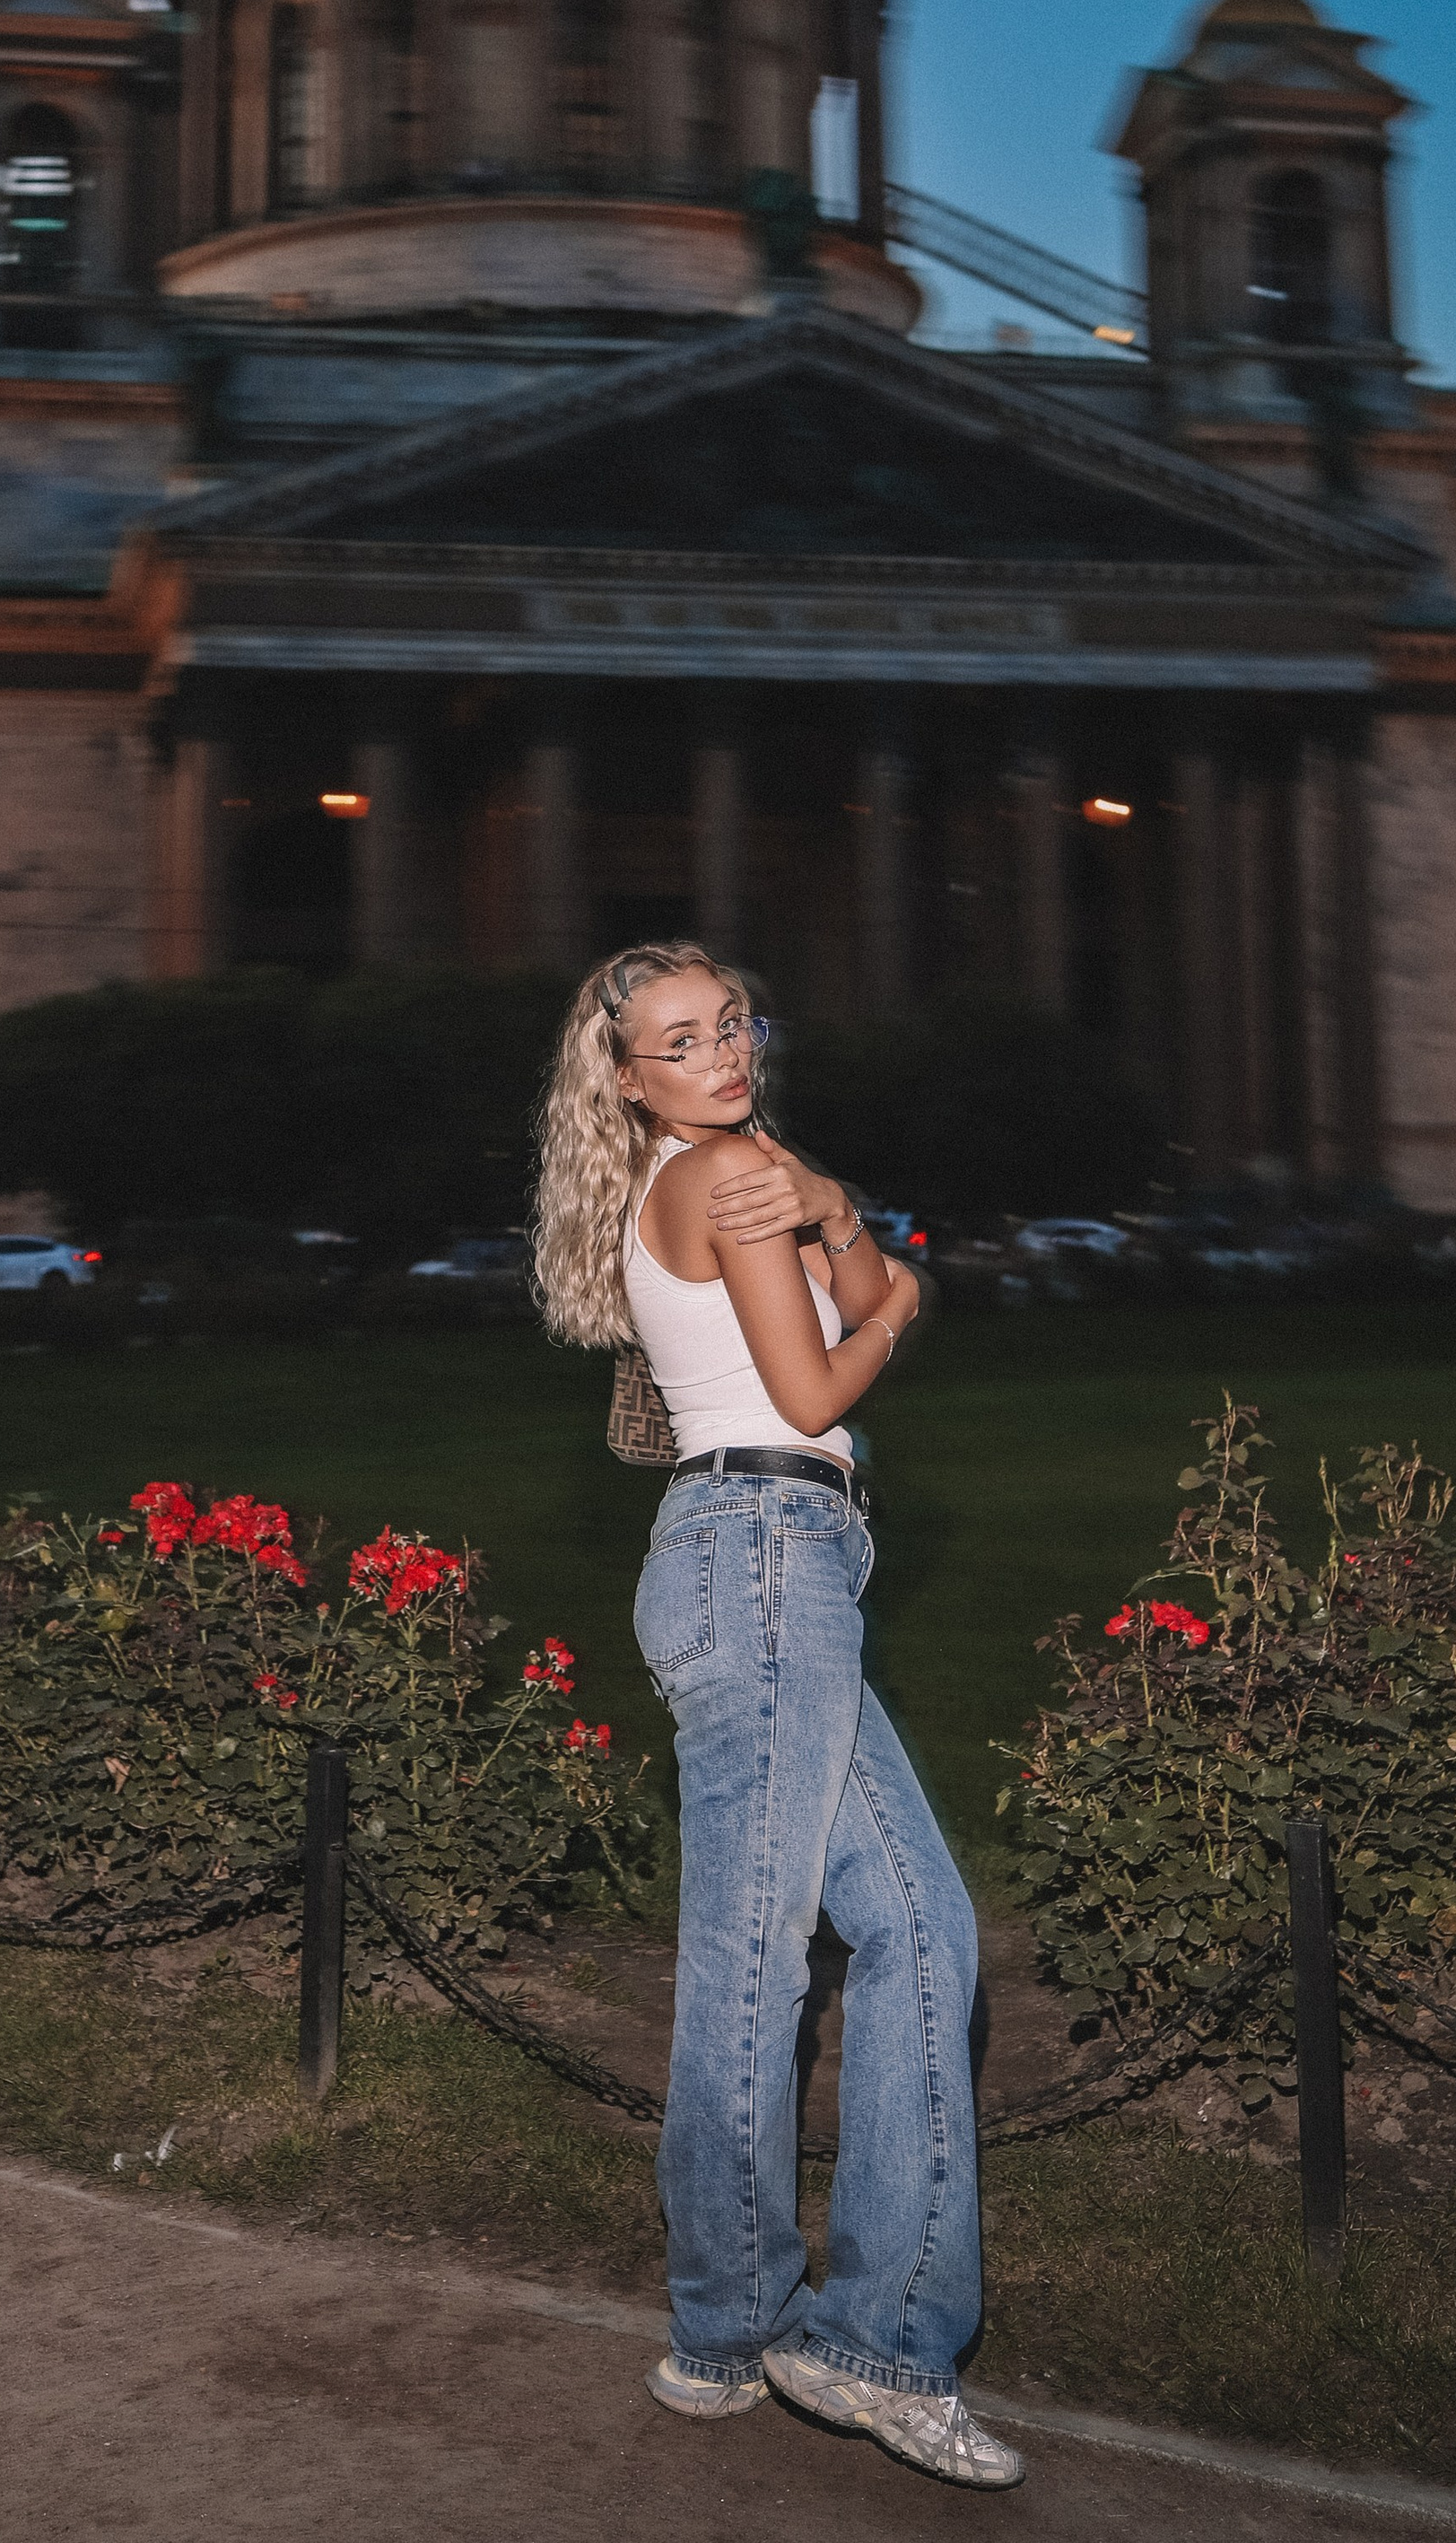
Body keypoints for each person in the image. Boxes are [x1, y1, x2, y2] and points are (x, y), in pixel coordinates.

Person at [531, 939, 1024, 2492]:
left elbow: (849, 1285)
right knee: (754, 1962)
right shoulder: (722, 1170)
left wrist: (849, 1223)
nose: (722, 1052)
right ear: (629, 1079)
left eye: (732, 1022)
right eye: (679, 1041)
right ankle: (743, 2324)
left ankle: (851, 2330)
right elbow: (820, 1389)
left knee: (925, 1934)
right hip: (760, 1552)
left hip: (775, 1563)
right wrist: (907, 1292)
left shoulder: (744, 1168)